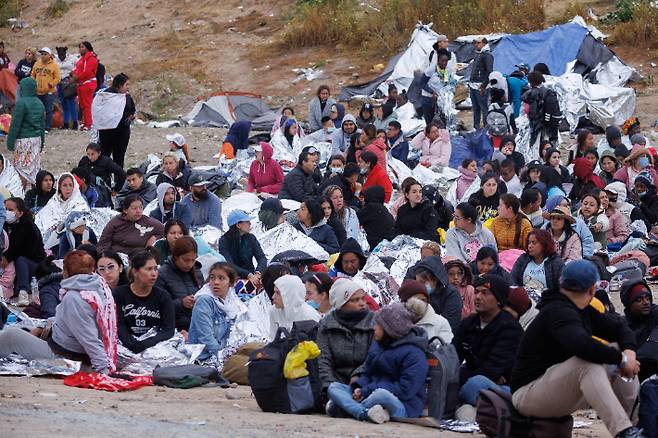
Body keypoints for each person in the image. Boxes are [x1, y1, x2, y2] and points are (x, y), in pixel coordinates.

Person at [510, 260, 642, 438]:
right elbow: (582, 346)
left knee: (614, 347)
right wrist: (622, 360)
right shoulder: (557, 311)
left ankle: (633, 426)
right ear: (592, 290)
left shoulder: (580, 308)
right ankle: (624, 431)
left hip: (555, 387)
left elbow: (619, 328)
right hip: (527, 395)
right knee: (587, 364)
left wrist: (629, 354)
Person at [0, 251, 117, 374]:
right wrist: (43, 328)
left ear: (66, 271)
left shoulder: (75, 298)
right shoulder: (98, 288)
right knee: (24, 328)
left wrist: (104, 370)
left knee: (12, 335)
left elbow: (89, 338)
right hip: (69, 349)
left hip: (66, 358)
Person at [326, 302, 428, 423]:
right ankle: (363, 413)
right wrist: (359, 388)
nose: (374, 328)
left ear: (390, 329)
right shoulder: (378, 345)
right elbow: (367, 373)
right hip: (369, 394)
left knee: (380, 395)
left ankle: (345, 408)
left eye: (378, 325)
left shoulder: (414, 354)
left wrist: (367, 391)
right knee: (334, 387)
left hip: (402, 405)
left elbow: (405, 390)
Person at [453, 275, 523, 407]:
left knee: (476, 384)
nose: (478, 297)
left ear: (498, 300)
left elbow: (490, 371)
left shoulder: (510, 328)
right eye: (476, 292)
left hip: (506, 389)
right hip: (476, 381)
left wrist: (459, 375)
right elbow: (453, 357)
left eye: (485, 293)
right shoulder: (468, 323)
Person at [317, 278, 375, 395]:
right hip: (337, 382)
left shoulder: (374, 322)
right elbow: (324, 360)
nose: (362, 303)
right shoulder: (327, 324)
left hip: (366, 380)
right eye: (355, 300)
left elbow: (374, 356)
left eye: (362, 298)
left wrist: (358, 376)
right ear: (342, 304)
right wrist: (330, 386)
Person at [113, 250, 175, 353]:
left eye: (155, 269)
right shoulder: (119, 294)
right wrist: (130, 343)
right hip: (125, 346)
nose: (154, 274)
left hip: (154, 347)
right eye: (149, 269)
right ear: (135, 272)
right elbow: (118, 324)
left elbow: (168, 330)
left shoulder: (163, 296)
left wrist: (146, 344)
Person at [189, 262, 246, 361]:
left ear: (231, 283)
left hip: (226, 354)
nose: (216, 282)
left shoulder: (233, 303)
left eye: (221, 278)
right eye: (212, 278)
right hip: (205, 358)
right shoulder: (204, 301)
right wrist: (224, 357)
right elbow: (206, 338)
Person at [154, 236, 203, 331]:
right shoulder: (162, 274)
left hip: (198, 322)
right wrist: (181, 303)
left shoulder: (197, 271)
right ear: (176, 256)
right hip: (176, 326)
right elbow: (158, 307)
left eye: (193, 260)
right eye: (186, 260)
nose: (189, 264)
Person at [6, 78, 45, 187]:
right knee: (34, 168)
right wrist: (42, 143)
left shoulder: (21, 103)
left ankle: (21, 195)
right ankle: (36, 194)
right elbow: (42, 126)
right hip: (36, 139)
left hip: (23, 140)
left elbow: (15, 125)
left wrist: (10, 142)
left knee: (21, 170)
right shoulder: (39, 103)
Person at [3, 197, 45, 296]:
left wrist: (7, 258)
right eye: (5, 209)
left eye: (10, 210)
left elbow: (25, 251)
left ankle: (23, 291)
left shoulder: (29, 227)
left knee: (20, 259)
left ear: (20, 213)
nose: (7, 212)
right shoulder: (4, 225)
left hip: (33, 265)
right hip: (11, 266)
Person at [97, 194, 164, 253]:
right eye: (134, 208)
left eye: (140, 208)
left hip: (139, 259)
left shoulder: (148, 222)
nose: (138, 211)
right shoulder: (115, 222)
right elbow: (103, 243)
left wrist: (154, 238)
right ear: (125, 210)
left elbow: (165, 231)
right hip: (117, 257)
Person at [410, 255, 462, 331]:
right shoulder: (419, 293)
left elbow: (449, 324)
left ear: (435, 280)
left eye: (422, 282)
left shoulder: (452, 295)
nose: (419, 286)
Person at [621, 278, 658, 381]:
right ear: (629, 304)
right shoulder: (623, 325)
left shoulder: (655, 314)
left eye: (647, 298)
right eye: (639, 300)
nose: (646, 302)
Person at [218, 209, 267, 281]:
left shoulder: (251, 238)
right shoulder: (224, 241)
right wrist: (247, 274)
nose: (250, 223)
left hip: (252, 277)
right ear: (238, 225)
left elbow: (262, 258)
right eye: (247, 222)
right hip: (232, 278)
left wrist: (258, 272)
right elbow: (229, 264)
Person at [398, 279, 453, 343]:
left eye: (423, 300)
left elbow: (444, 349)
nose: (420, 304)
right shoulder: (394, 321)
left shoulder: (441, 323)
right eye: (416, 300)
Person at [523, 71, 561, 150]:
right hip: (548, 124)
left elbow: (527, 110)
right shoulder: (548, 92)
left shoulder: (530, 94)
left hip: (536, 124)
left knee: (536, 147)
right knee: (547, 145)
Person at [31, 47, 60, 131]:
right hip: (38, 91)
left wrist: (51, 84)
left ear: (50, 55)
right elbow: (33, 74)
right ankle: (38, 126)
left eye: (45, 54)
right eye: (42, 54)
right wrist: (33, 82)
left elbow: (58, 78)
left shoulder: (54, 65)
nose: (43, 56)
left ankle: (47, 127)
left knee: (48, 110)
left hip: (49, 92)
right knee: (37, 110)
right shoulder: (37, 63)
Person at [357, 186, 395, 250]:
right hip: (388, 242)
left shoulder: (371, 207)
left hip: (376, 243)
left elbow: (355, 218)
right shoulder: (383, 208)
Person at [71, 41, 98, 130]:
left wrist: (76, 77)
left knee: (87, 104)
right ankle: (85, 122)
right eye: (79, 47)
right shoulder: (82, 59)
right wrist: (74, 74)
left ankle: (89, 124)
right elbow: (77, 69)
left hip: (88, 83)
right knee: (82, 104)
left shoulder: (91, 58)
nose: (80, 49)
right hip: (80, 83)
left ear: (87, 48)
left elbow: (87, 72)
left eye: (82, 47)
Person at [469, 36, 494, 129]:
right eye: (475, 43)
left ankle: (486, 130)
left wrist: (483, 85)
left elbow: (489, 71)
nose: (476, 44)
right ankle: (476, 128)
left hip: (481, 86)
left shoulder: (487, 55)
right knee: (475, 108)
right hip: (473, 84)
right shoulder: (477, 54)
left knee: (484, 108)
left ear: (484, 43)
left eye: (478, 43)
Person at [55, 46, 79, 130]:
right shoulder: (55, 59)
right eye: (59, 55)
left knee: (71, 102)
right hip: (59, 83)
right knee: (64, 104)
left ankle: (75, 123)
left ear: (65, 53)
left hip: (69, 83)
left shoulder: (72, 58)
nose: (61, 57)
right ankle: (65, 123)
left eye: (62, 55)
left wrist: (73, 75)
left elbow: (79, 65)